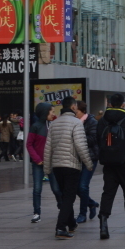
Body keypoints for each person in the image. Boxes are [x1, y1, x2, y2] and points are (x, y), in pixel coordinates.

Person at [43, 97, 94, 239]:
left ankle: (71, 224)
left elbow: (48, 147)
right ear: (73, 107)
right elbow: (80, 145)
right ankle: (60, 227)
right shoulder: (76, 123)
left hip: (57, 166)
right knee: (69, 197)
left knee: (66, 195)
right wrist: (88, 163)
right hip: (72, 165)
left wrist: (47, 169)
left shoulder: (54, 123)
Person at [97, 93, 125, 239]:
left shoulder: (102, 121)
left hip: (108, 162)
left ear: (109, 103)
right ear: (123, 104)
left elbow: (98, 140)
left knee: (108, 192)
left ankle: (103, 222)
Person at [26, 102, 60, 223]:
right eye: (52, 111)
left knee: (56, 189)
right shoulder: (35, 126)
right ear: (45, 112)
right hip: (38, 163)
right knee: (37, 189)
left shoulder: (53, 125)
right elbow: (29, 144)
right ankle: (36, 213)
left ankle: (62, 209)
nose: (53, 114)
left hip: (52, 162)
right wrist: (37, 159)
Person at [72, 101, 100, 225]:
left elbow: (93, 139)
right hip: (77, 158)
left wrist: (78, 136)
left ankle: (82, 213)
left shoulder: (92, 122)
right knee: (77, 187)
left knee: (83, 186)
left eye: (76, 111)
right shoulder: (74, 122)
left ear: (82, 111)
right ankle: (91, 204)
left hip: (90, 158)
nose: (74, 114)